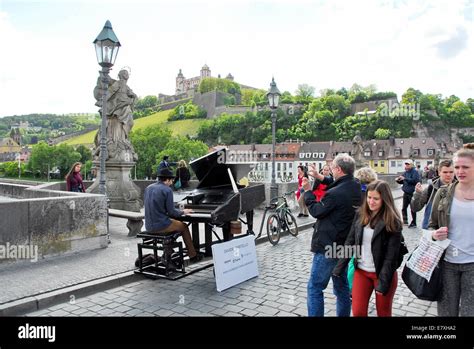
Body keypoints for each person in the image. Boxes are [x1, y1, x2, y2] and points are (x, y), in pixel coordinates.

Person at [302, 153, 362, 317]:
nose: (332, 171)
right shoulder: (356, 185)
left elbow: (316, 211)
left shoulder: (334, 194)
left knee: (315, 287)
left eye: (333, 168)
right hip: (347, 246)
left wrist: (308, 192)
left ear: (339, 169)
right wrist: (319, 176)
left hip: (329, 246)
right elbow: (338, 183)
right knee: (341, 286)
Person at [333, 180, 403, 317]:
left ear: (385, 199)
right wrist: (338, 268)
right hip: (362, 271)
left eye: (376, 198)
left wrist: (383, 283)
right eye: (369, 197)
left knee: (383, 313)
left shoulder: (393, 221)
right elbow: (350, 241)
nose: (371, 202)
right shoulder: (360, 214)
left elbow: (391, 257)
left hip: (383, 274)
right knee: (358, 312)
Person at [429, 144, 474, 316]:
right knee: (447, 312)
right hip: (447, 263)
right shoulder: (442, 193)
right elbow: (431, 225)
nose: (460, 171)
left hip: (472, 265)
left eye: (465, 167)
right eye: (457, 167)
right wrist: (434, 234)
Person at [144, 168, 203, 263]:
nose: (171, 183)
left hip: (148, 226)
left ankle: (169, 250)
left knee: (175, 224)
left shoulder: (148, 188)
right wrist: (184, 211)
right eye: (171, 180)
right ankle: (193, 255)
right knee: (183, 226)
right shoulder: (167, 190)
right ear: (167, 180)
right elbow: (172, 212)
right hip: (160, 225)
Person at [412, 160, 455, 229]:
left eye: (451, 172)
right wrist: (417, 193)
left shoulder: (459, 189)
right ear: (439, 172)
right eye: (445, 172)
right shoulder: (430, 189)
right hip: (431, 230)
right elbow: (415, 208)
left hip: (453, 231)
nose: (448, 175)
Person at [106, 69, 137, 143]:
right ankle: (119, 139)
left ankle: (124, 137)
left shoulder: (126, 86)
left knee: (131, 122)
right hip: (119, 105)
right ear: (122, 75)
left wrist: (133, 95)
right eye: (126, 73)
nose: (127, 75)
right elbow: (110, 91)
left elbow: (132, 94)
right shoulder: (118, 83)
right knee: (127, 112)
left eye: (127, 73)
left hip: (125, 104)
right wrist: (103, 100)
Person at [395, 159, 420, 228]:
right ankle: (405, 221)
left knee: (413, 208)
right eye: (406, 164)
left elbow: (415, 181)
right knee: (403, 208)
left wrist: (405, 179)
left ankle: (414, 223)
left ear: (411, 165)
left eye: (408, 164)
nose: (406, 165)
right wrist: (398, 180)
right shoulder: (405, 172)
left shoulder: (415, 172)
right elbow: (403, 181)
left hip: (412, 193)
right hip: (405, 192)